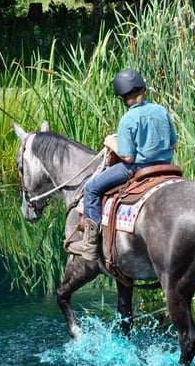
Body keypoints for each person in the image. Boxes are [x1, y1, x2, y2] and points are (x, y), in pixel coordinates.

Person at [67, 68, 178, 261]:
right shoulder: (161, 111)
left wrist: (111, 143)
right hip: (166, 167)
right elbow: (174, 144)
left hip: (138, 169)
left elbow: (128, 157)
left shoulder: (127, 120)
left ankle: (90, 244)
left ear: (122, 98)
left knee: (92, 187)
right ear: (143, 89)